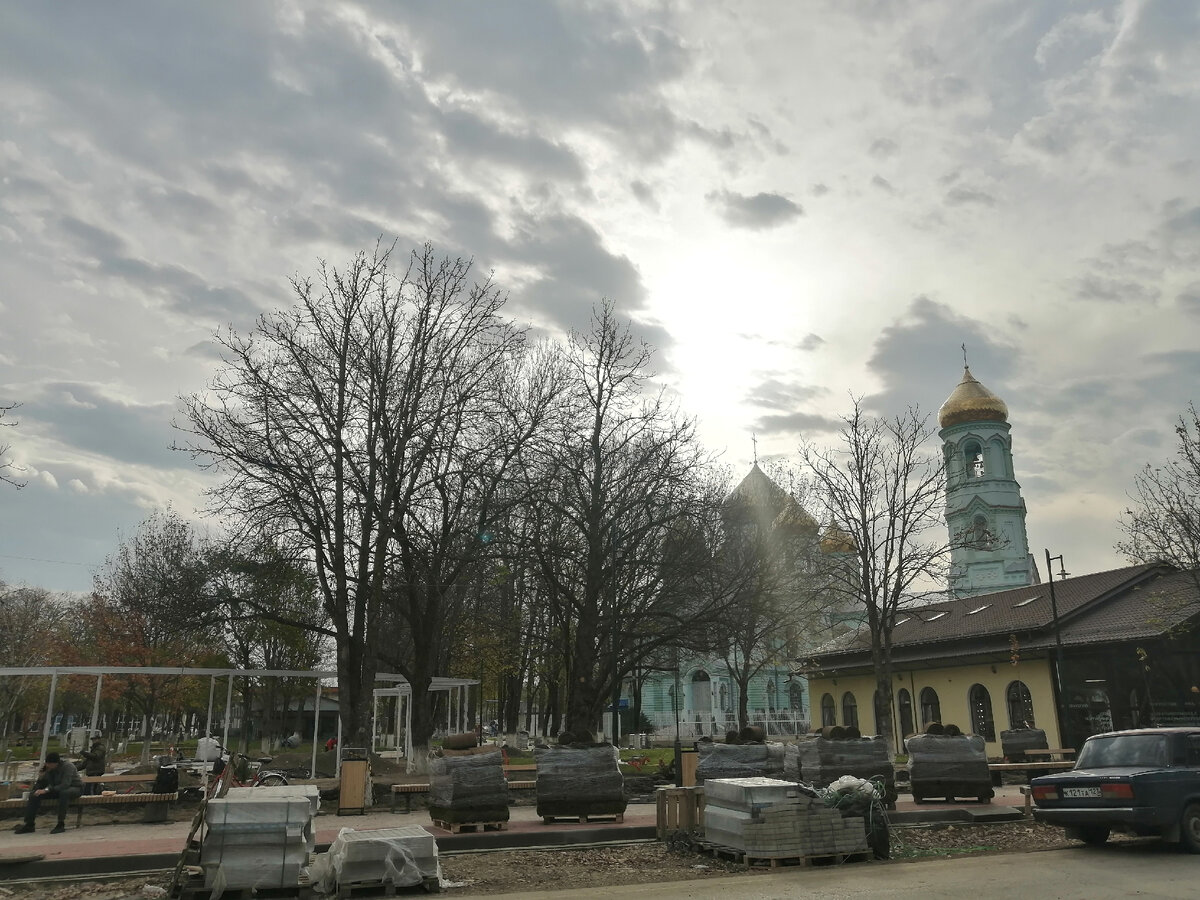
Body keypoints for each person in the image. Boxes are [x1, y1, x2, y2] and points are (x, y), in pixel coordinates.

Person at [13, 752, 83, 834]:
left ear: (55, 763)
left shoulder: (68, 766)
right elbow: (46, 785)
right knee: (34, 795)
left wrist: (46, 790)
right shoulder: (50, 769)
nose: (47, 765)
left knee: (64, 793)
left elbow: (65, 784)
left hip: (75, 788)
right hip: (57, 789)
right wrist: (41, 777)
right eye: (47, 763)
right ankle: (29, 824)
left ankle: (61, 823)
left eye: (49, 764)